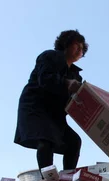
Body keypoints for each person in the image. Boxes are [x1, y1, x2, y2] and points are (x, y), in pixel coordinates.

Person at [14, 30, 87, 171]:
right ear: (66, 43)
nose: (80, 50)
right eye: (77, 45)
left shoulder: (76, 75)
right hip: (36, 106)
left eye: (82, 48)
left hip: (56, 114)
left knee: (74, 142)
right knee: (46, 140)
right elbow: (45, 79)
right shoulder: (49, 56)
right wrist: (66, 83)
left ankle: (68, 177)